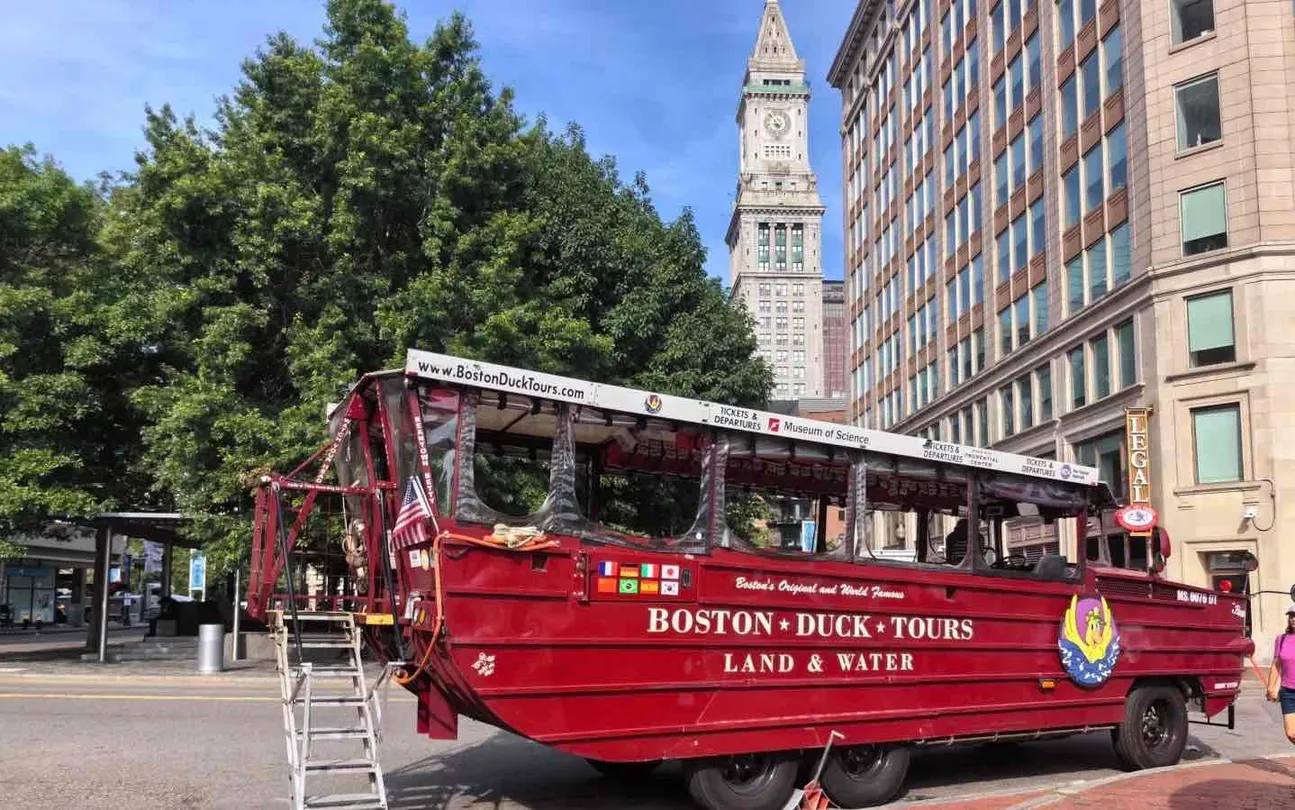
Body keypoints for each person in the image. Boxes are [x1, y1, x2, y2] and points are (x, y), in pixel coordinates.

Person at [1266, 603, 1295, 745]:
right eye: (1291, 616)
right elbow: (1276, 665)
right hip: (1287, 692)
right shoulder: (1281, 639)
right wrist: (1271, 688)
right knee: (1291, 733)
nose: (1293, 619)